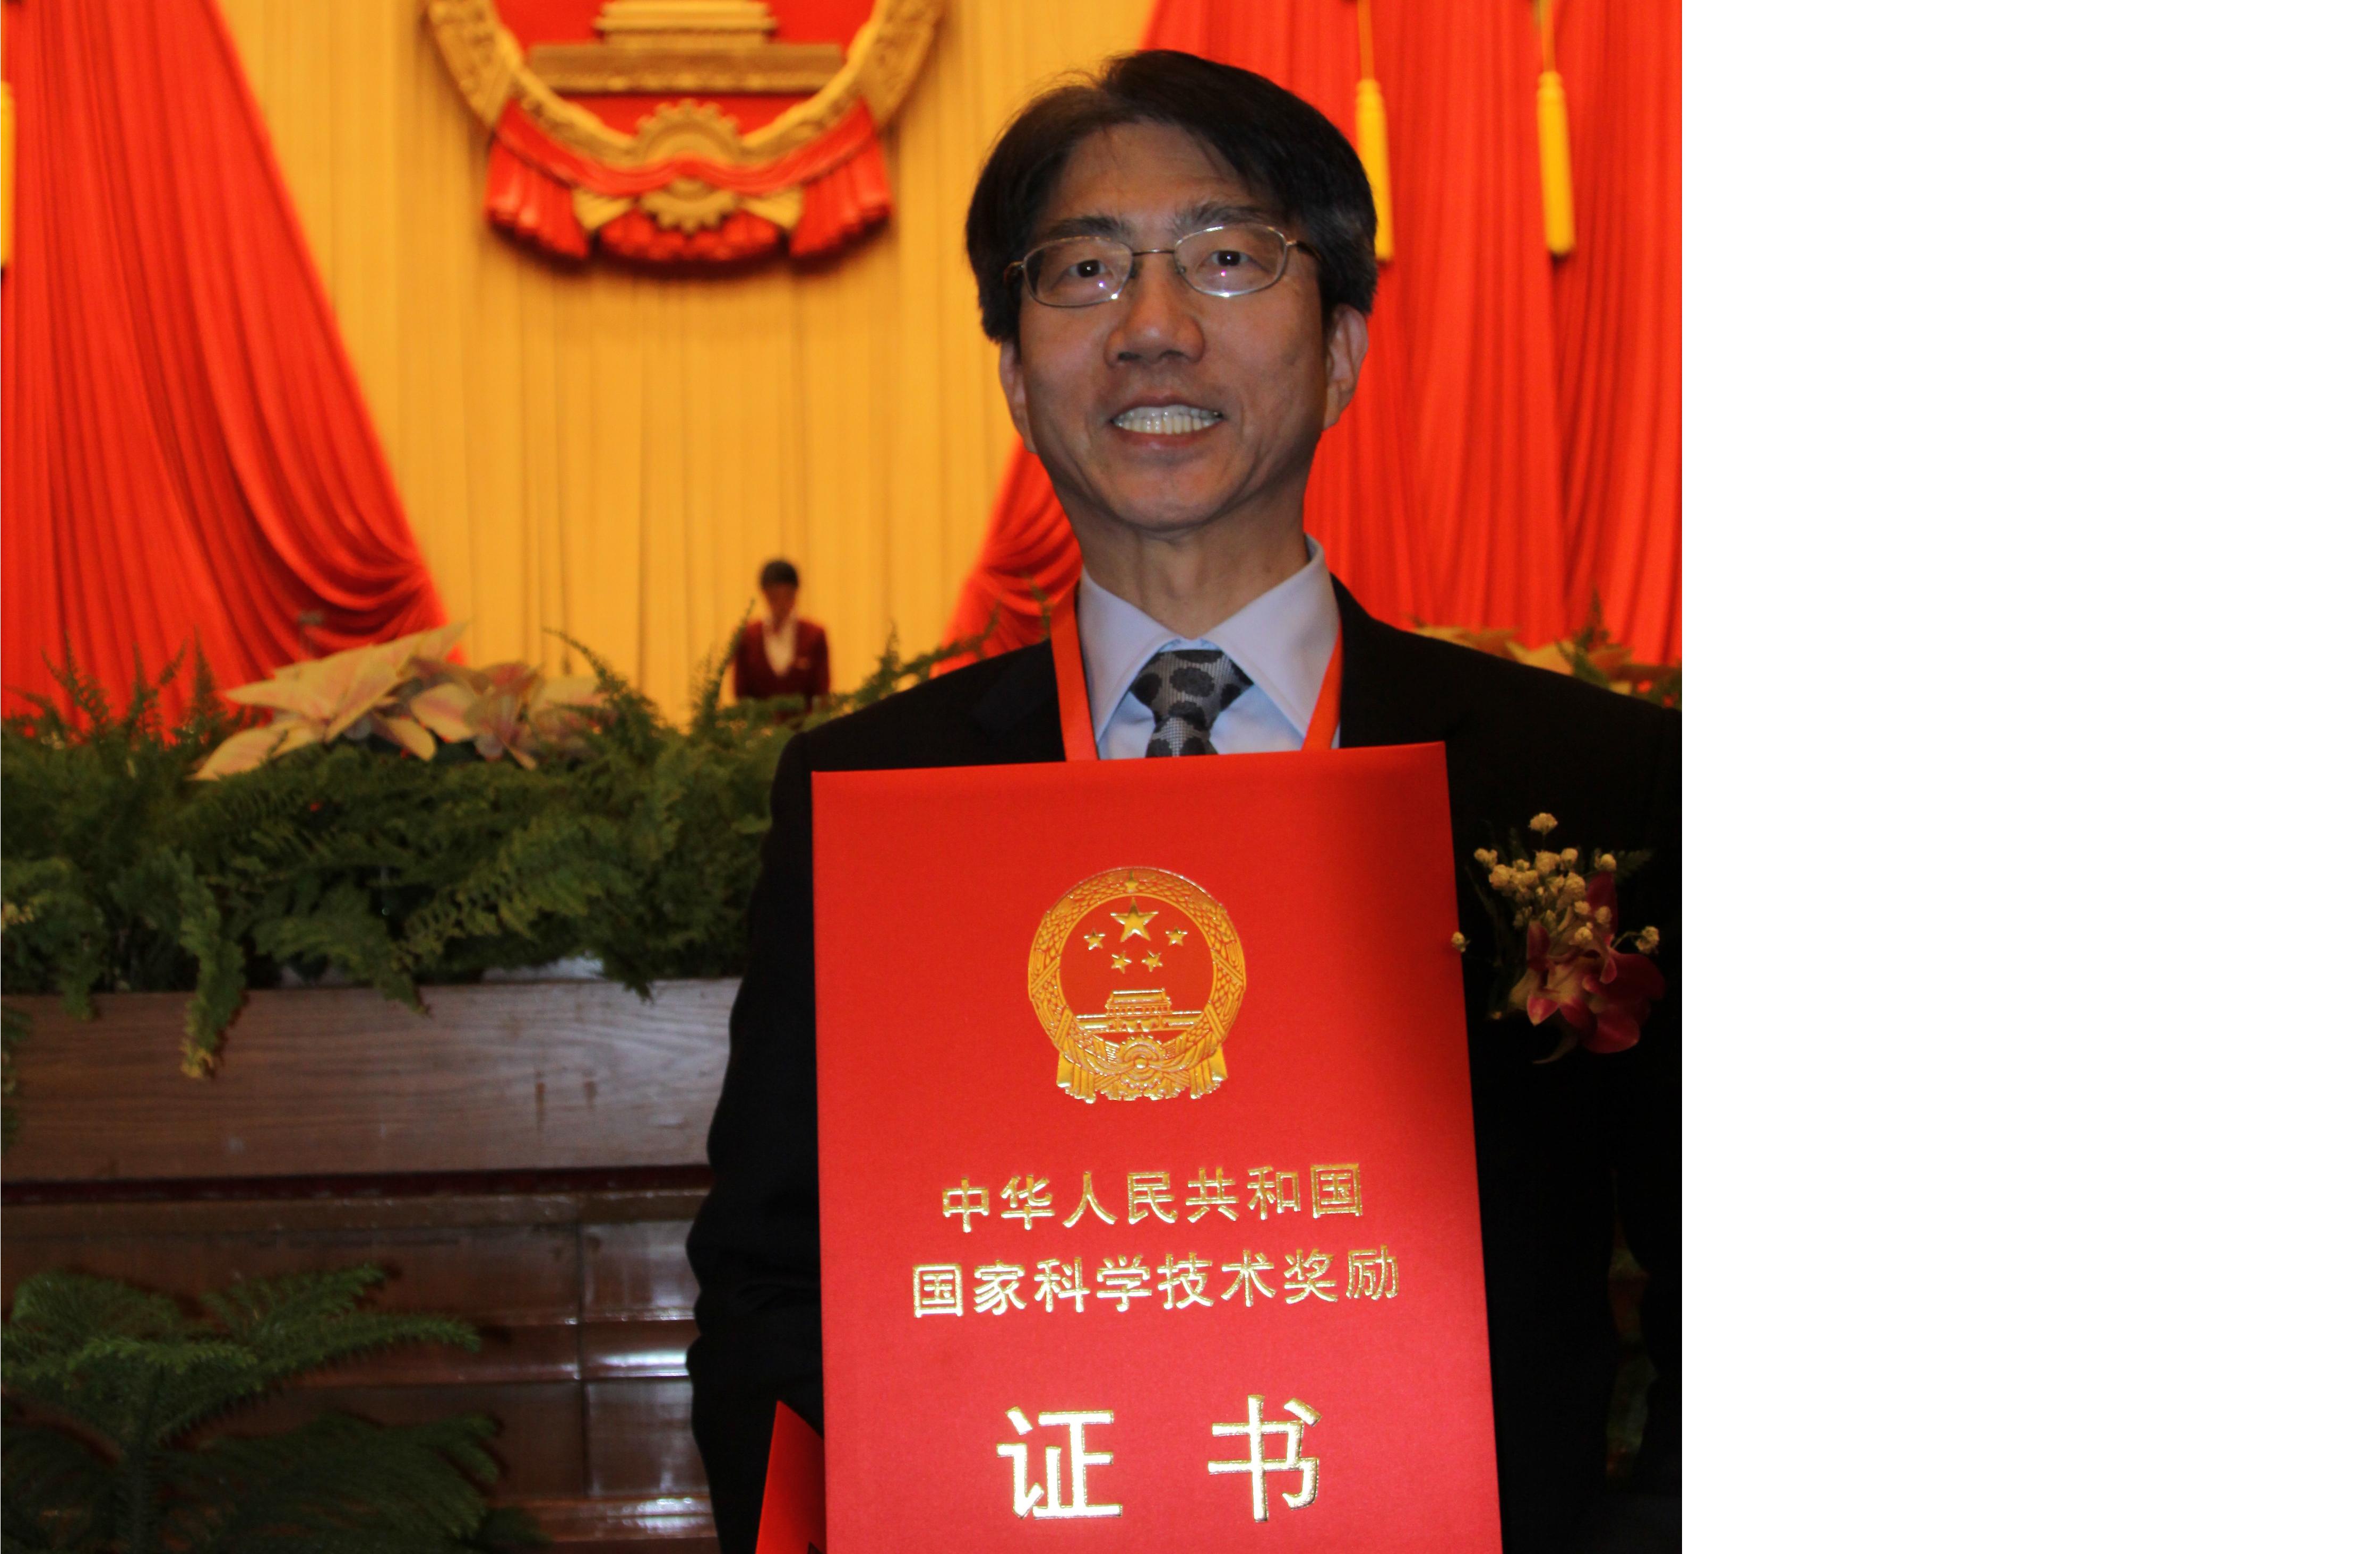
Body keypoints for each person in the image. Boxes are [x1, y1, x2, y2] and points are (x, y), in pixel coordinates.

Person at [684, 50, 1678, 1553]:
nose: (1152, 330)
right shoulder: (868, 802)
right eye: (1084, 272)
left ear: (1342, 348)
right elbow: (767, 1285)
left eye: (1227, 261)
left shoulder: (1584, 786)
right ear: (1017, 374)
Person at [730, 558, 831, 709]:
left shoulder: (814, 635)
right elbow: (742, 693)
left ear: (796, 593)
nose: (781, 603)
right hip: (760, 729)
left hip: (805, 728)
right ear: (765, 594)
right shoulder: (748, 636)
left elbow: (821, 691)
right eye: (775, 596)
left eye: (787, 595)